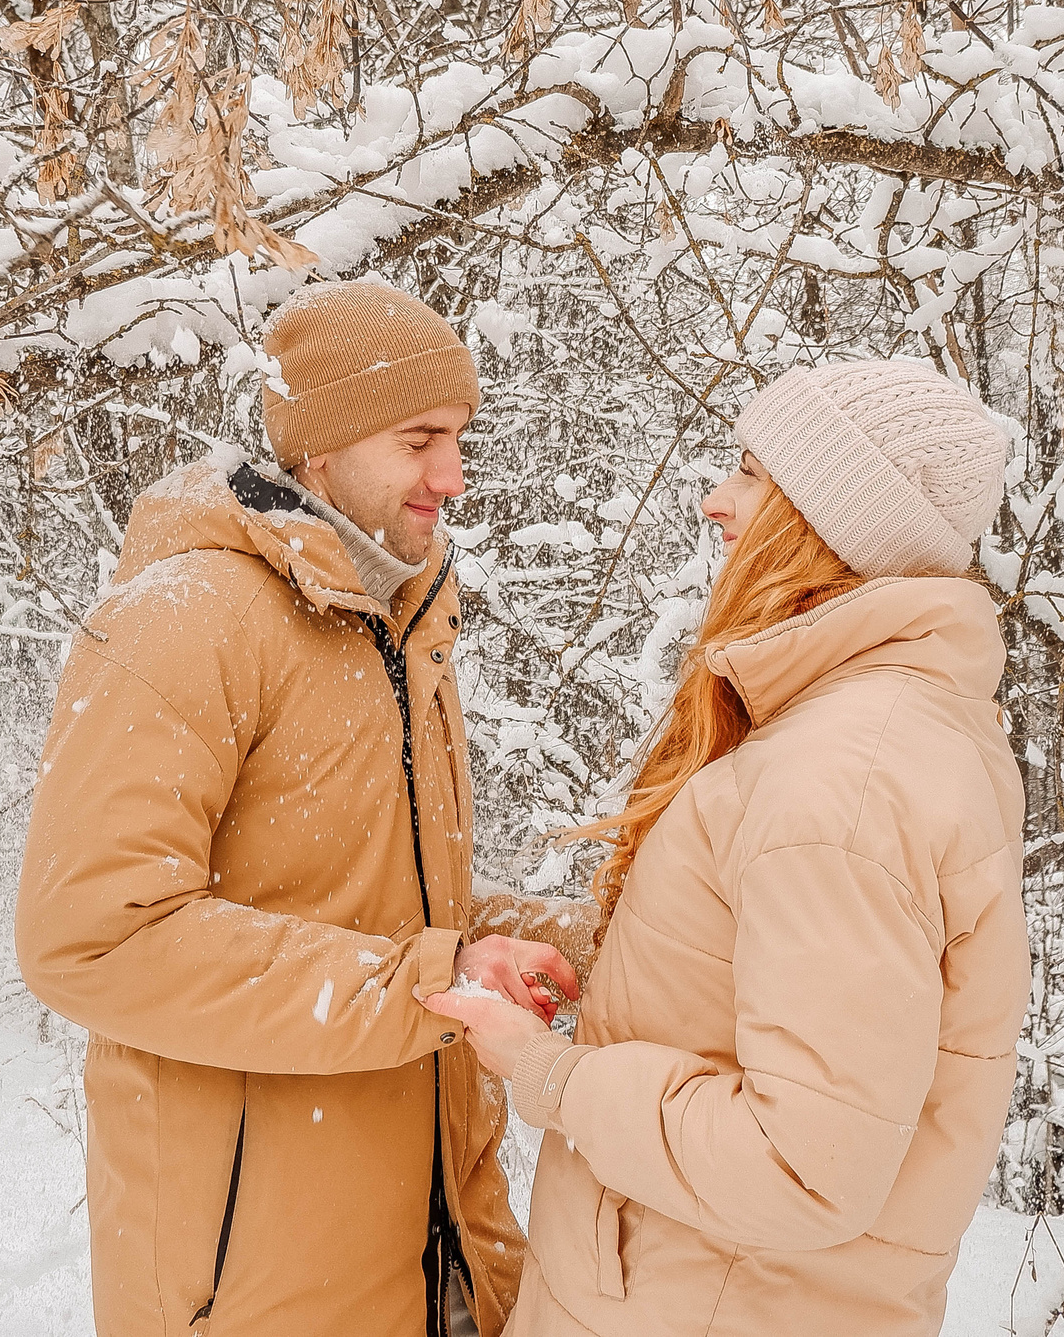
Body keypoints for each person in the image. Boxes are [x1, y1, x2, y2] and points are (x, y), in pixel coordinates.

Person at [16, 281, 592, 1337]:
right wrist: (430, 978)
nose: (451, 478)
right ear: (319, 446)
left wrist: (571, 942)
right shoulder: (185, 620)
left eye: (459, 438)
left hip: (436, 1253)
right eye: (420, 440)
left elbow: (384, 904)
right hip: (254, 1288)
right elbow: (92, 938)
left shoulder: (400, 623)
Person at [423, 359, 1024, 1336]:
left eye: (749, 473)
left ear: (830, 520)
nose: (714, 501)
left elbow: (803, 1167)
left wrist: (546, 1072)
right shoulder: (875, 736)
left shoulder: (842, 782)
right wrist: (596, 960)